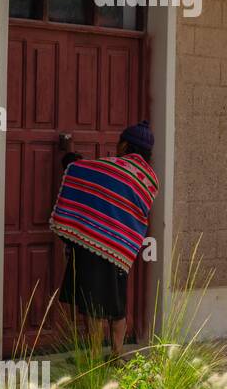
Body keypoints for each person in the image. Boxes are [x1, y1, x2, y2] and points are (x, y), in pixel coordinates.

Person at [49, 120, 159, 357]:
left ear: (126, 145)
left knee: (94, 304)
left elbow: (81, 171)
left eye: (120, 143)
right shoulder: (149, 179)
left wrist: (69, 158)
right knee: (118, 305)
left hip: (95, 244)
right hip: (122, 249)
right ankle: (117, 354)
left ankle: (94, 357)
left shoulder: (114, 168)